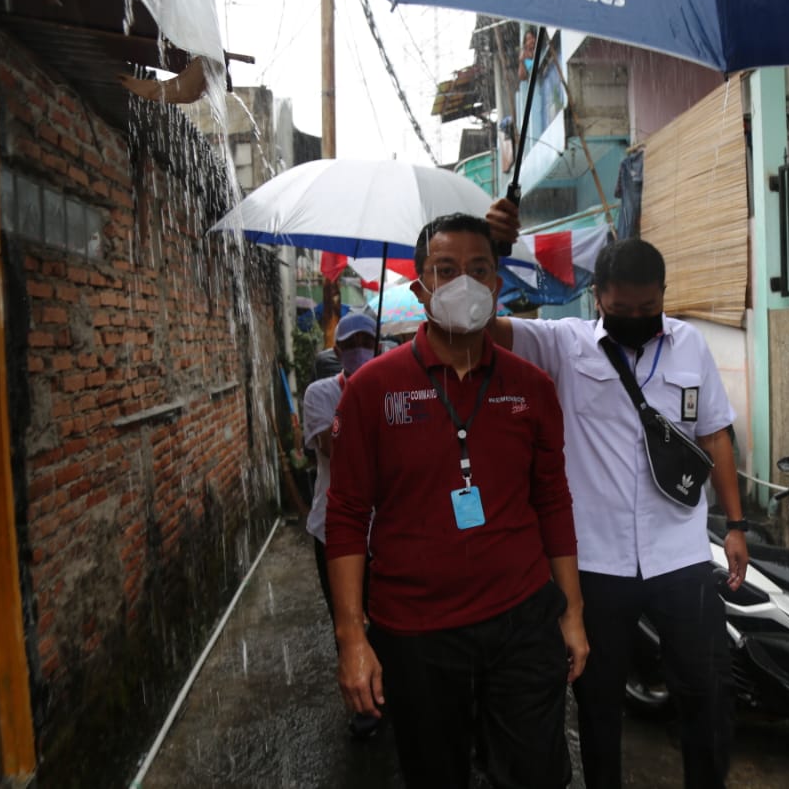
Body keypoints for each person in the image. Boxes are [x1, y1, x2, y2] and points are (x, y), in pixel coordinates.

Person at [485, 197, 750, 789]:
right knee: (599, 704)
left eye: (649, 307)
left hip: (681, 555)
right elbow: (480, 325)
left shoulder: (690, 346)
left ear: (663, 295)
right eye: (623, 307)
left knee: (707, 692)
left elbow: (716, 433)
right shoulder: (564, 344)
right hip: (597, 566)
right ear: (598, 297)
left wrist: (735, 525)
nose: (638, 316)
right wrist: (493, 250)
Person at [324, 213, 589, 789]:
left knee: (535, 775)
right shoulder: (371, 391)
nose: (463, 283)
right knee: (434, 774)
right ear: (420, 288)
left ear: (497, 286)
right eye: (445, 270)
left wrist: (571, 613)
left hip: (521, 620)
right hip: (415, 633)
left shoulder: (532, 388)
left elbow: (553, 502)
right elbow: (346, 516)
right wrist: (352, 639)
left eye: (478, 270)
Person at [301, 310, 381, 736]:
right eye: (350, 346)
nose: (358, 351)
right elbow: (335, 452)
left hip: (385, 531)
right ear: (337, 352)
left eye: (366, 343)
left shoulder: (394, 390)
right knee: (348, 620)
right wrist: (358, 397)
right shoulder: (320, 395)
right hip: (333, 531)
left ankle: (389, 693)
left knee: (388, 620)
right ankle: (363, 704)